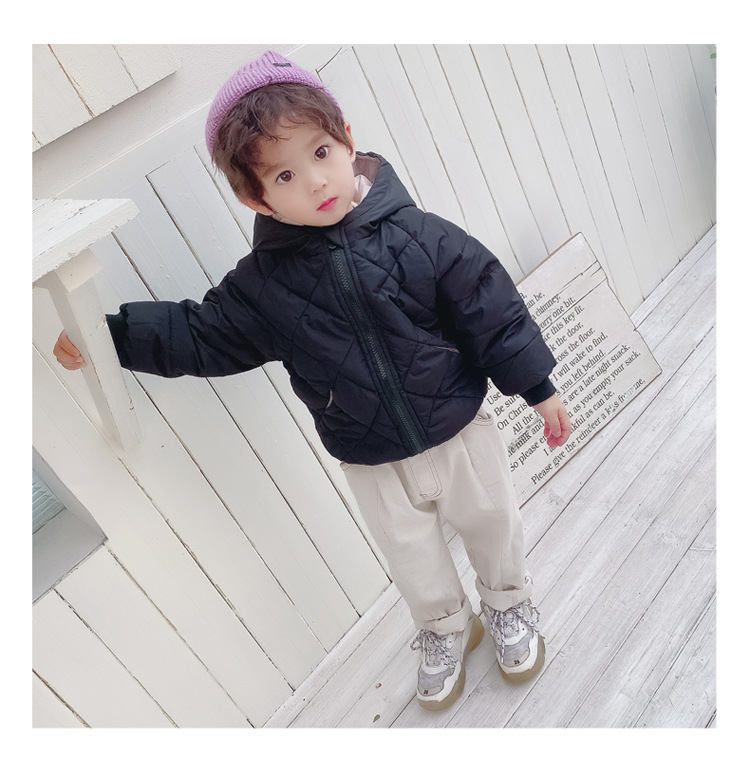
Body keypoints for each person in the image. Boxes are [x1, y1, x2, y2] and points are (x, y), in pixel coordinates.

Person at [54, 50, 572, 711]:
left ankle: (507, 603)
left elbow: (489, 307)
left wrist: (538, 387)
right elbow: (202, 333)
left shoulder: (419, 236)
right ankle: (446, 626)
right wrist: (106, 336)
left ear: (348, 140)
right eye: (285, 174)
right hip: (369, 454)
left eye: (322, 153)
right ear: (256, 197)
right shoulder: (262, 287)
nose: (316, 181)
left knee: (493, 521)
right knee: (411, 554)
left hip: (458, 427)